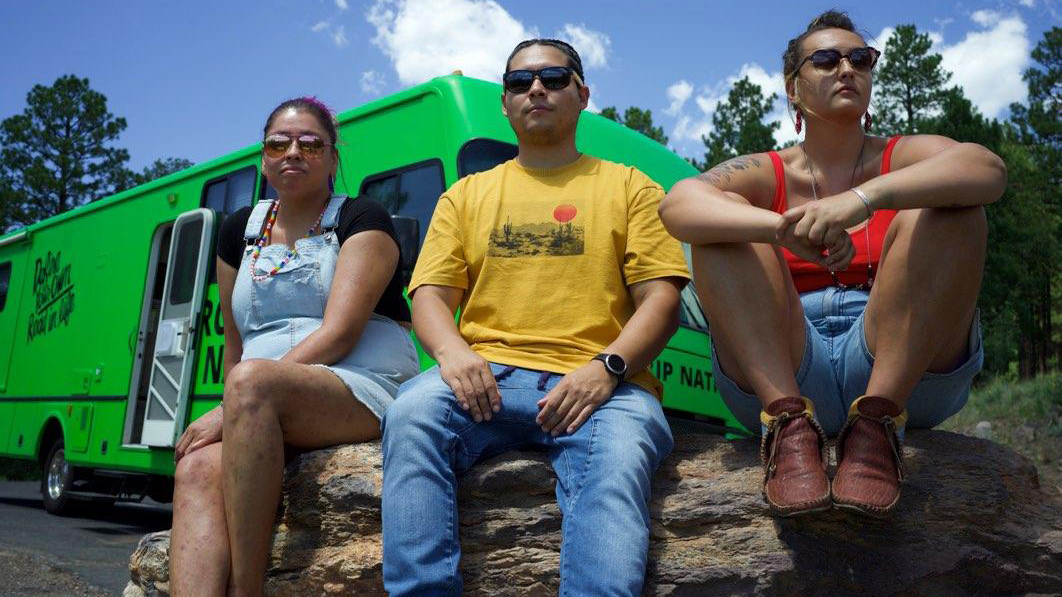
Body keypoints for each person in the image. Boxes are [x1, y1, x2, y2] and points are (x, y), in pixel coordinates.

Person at [659, 10, 1006, 518]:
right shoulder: (764, 170)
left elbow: (987, 170)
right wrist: (778, 229)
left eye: (860, 59)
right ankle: (786, 426)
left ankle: (878, 424)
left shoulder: (905, 154)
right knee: (721, 226)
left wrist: (863, 199)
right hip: (786, 368)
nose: (847, 69)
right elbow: (678, 205)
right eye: (825, 59)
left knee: (954, 209)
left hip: (905, 368)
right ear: (792, 88)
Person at [380, 39, 690, 596]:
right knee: (412, 413)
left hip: (604, 386)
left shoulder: (631, 187)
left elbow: (662, 299)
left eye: (553, 76)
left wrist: (609, 366)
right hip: (485, 378)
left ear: (583, 93)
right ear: (505, 102)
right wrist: (452, 354)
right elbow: (428, 294)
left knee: (620, 453)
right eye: (520, 82)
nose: (536, 89)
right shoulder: (466, 195)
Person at [168, 97, 419, 596]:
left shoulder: (362, 218)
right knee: (196, 468)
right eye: (278, 143)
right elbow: (235, 340)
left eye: (310, 143)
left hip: (359, 382)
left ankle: (247, 589)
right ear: (263, 158)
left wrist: (230, 407)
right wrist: (234, 404)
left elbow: (341, 332)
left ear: (332, 157)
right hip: (259, 397)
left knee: (252, 382)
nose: (293, 153)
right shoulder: (238, 230)